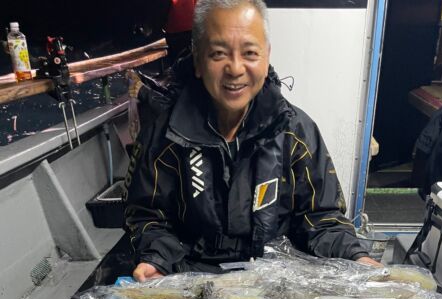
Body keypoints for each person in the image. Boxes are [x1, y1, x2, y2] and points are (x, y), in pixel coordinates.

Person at [124, 0, 381, 281]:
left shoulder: (295, 131)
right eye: (218, 53)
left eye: (249, 53)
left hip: (275, 281)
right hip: (189, 279)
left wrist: (356, 257)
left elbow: (322, 219)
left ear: (266, 56)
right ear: (197, 60)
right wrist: (156, 259)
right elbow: (148, 216)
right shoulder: (164, 134)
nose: (235, 68)